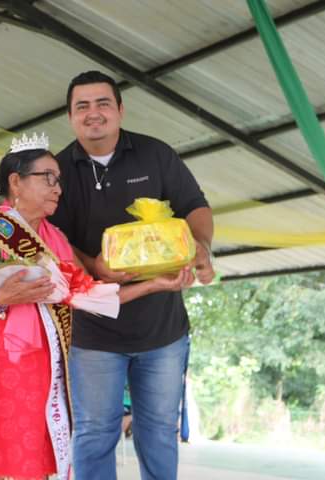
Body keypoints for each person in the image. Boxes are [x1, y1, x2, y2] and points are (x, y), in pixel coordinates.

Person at [0, 136, 194, 480]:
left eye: (59, 180)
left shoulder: (55, 240)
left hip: (40, 358)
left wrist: (155, 285)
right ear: (16, 182)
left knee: (30, 451)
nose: (58, 188)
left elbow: (90, 295)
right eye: (48, 178)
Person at [48, 70, 215, 480]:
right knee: (94, 432)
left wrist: (201, 247)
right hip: (92, 332)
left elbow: (195, 206)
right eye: (82, 106)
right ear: (70, 116)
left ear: (120, 110)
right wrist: (95, 266)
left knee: (159, 432)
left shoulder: (155, 155)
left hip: (162, 330)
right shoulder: (57, 171)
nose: (93, 113)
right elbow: (54, 238)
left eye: (103, 103)